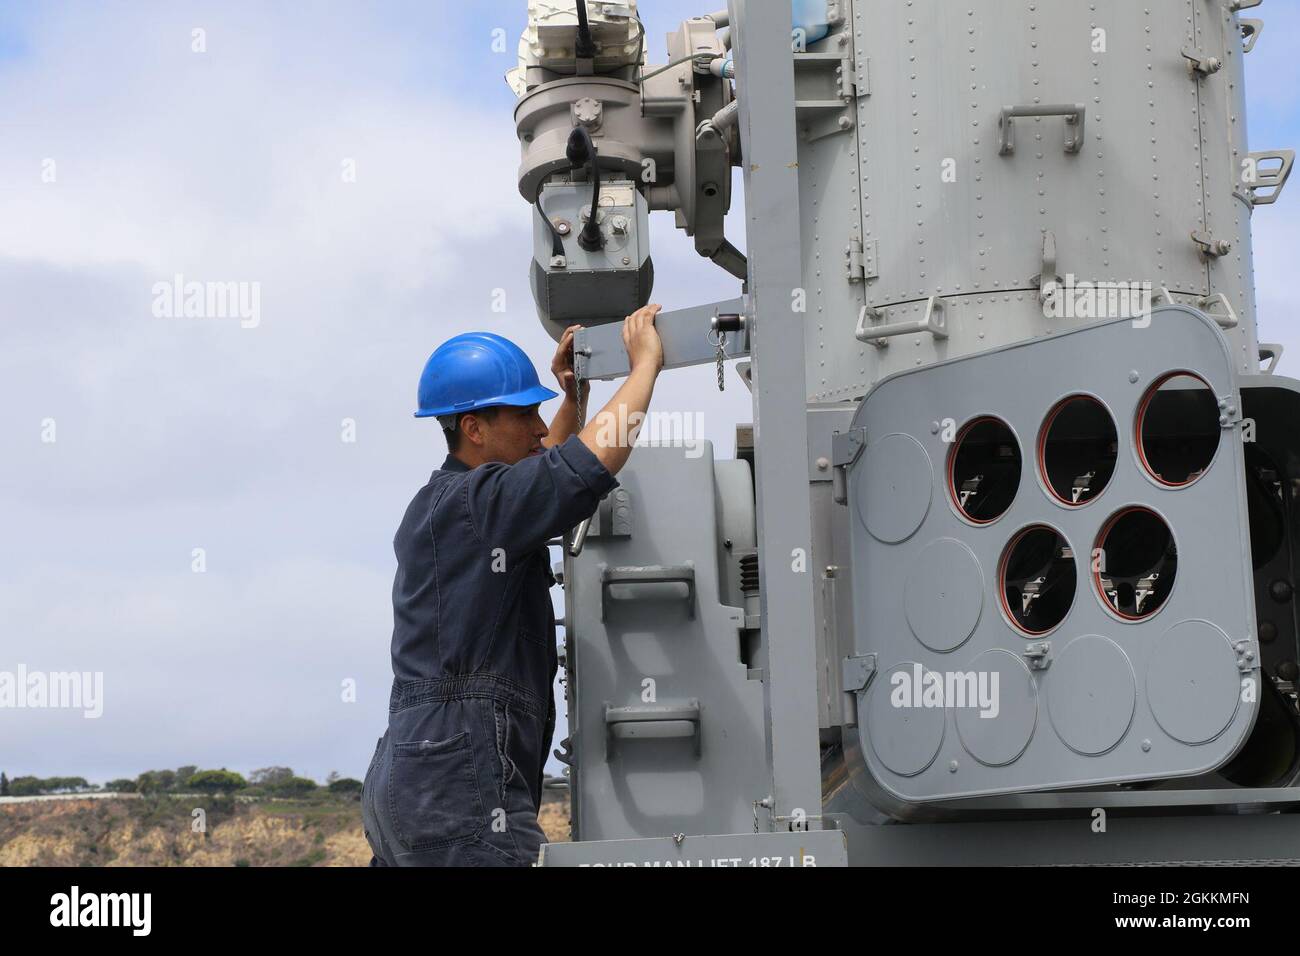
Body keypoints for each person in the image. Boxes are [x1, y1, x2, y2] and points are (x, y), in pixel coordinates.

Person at [361, 305, 664, 866]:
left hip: (417, 779)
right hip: (456, 788)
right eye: (526, 415)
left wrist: (573, 398)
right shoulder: (478, 505)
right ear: (473, 428)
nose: (541, 427)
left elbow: (544, 470)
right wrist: (644, 367)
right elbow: (578, 471)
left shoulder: (451, 504)